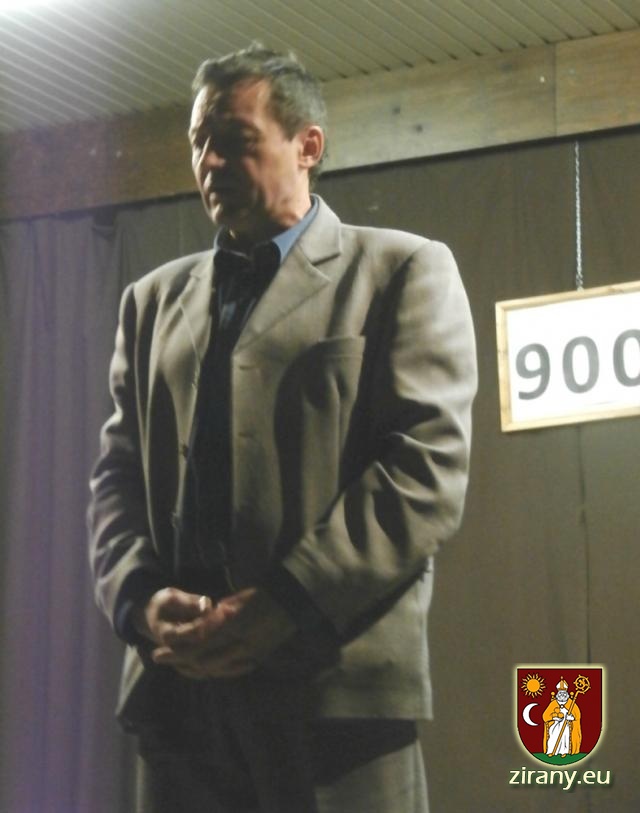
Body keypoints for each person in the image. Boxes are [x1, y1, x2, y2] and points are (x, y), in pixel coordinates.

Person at [88, 43, 477, 813]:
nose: (209, 162)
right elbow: (116, 480)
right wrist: (138, 599)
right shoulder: (150, 302)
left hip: (333, 695)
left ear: (308, 146)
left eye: (234, 140)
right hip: (179, 703)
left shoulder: (401, 271)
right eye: (199, 142)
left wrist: (287, 602)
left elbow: (424, 471)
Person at [543, 679, 582, 757]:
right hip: (555, 725)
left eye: (564, 693)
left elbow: (577, 715)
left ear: (566, 694)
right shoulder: (553, 703)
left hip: (566, 725)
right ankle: (552, 751)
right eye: (560, 693)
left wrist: (571, 718)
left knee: (565, 737)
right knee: (553, 736)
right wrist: (554, 718)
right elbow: (545, 715)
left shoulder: (571, 703)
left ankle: (564, 752)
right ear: (558, 694)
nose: (562, 695)